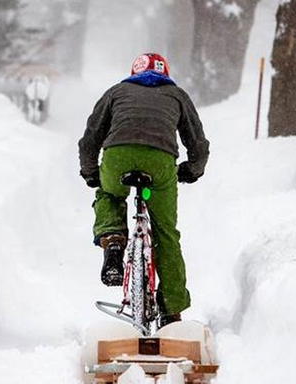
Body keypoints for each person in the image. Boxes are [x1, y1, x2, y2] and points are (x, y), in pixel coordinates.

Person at [78, 52, 209, 328]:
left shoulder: (116, 92)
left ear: (133, 72)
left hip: (118, 158)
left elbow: (90, 138)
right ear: (166, 73)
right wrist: (192, 170)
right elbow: (197, 142)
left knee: (109, 193)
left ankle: (113, 241)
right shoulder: (177, 95)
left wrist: (92, 173)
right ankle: (172, 312)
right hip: (159, 163)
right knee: (165, 234)